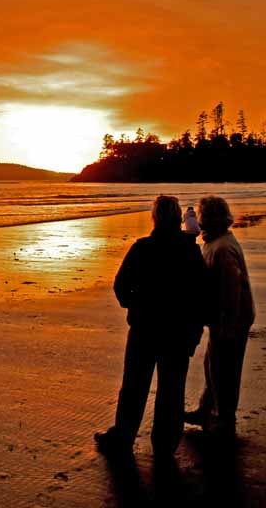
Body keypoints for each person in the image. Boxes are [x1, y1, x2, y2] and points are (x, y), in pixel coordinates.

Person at [95, 195, 209, 458]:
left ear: (155, 217)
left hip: (145, 329)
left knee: (134, 386)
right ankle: (165, 444)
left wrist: (135, 305)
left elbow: (121, 286)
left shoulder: (142, 248)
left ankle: (123, 437)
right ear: (178, 217)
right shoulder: (190, 250)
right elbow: (202, 292)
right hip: (179, 332)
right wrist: (195, 328)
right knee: (172, 387)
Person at [185, 196, 255, 438]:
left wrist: (227, 324)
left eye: (203, 216)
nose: (200, 221)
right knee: (213, 365)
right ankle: (206, 410)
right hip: (224, 316)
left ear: (211, 218)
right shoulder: (216, 242)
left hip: (231, 317)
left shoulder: (222, 248)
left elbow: (231, 289)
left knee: (225, 369)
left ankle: (224, 419)